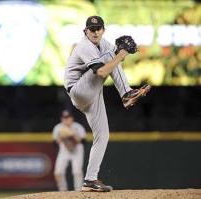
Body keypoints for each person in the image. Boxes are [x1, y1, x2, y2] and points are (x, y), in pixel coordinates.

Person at [64, 16, 151, 192]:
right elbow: (103, 70)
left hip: (92, 94)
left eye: (98, 28)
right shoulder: (84, 46)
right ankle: (126, 93)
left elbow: (116, 62)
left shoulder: (104, 44)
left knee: (103, 135)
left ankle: (89, 180)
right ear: (85, 31)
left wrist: (123, 52)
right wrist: (120, 53)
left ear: (103, 30)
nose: (95, 32)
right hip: (79, 90)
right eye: (91, 29)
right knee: (111, 57)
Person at [52, 110, 86, 191]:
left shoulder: (78, 127)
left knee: (77, 172)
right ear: (62, 119)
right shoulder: (58, 128)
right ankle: (62, 191)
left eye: (68, 117)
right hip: (64, 151)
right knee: (58, 172)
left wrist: (72, 134)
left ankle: (78, 192)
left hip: (77, 151)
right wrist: (62, 136)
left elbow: (83, 142)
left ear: (72, 118)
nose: (66, 120)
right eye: (64, 118)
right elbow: (54, 143)